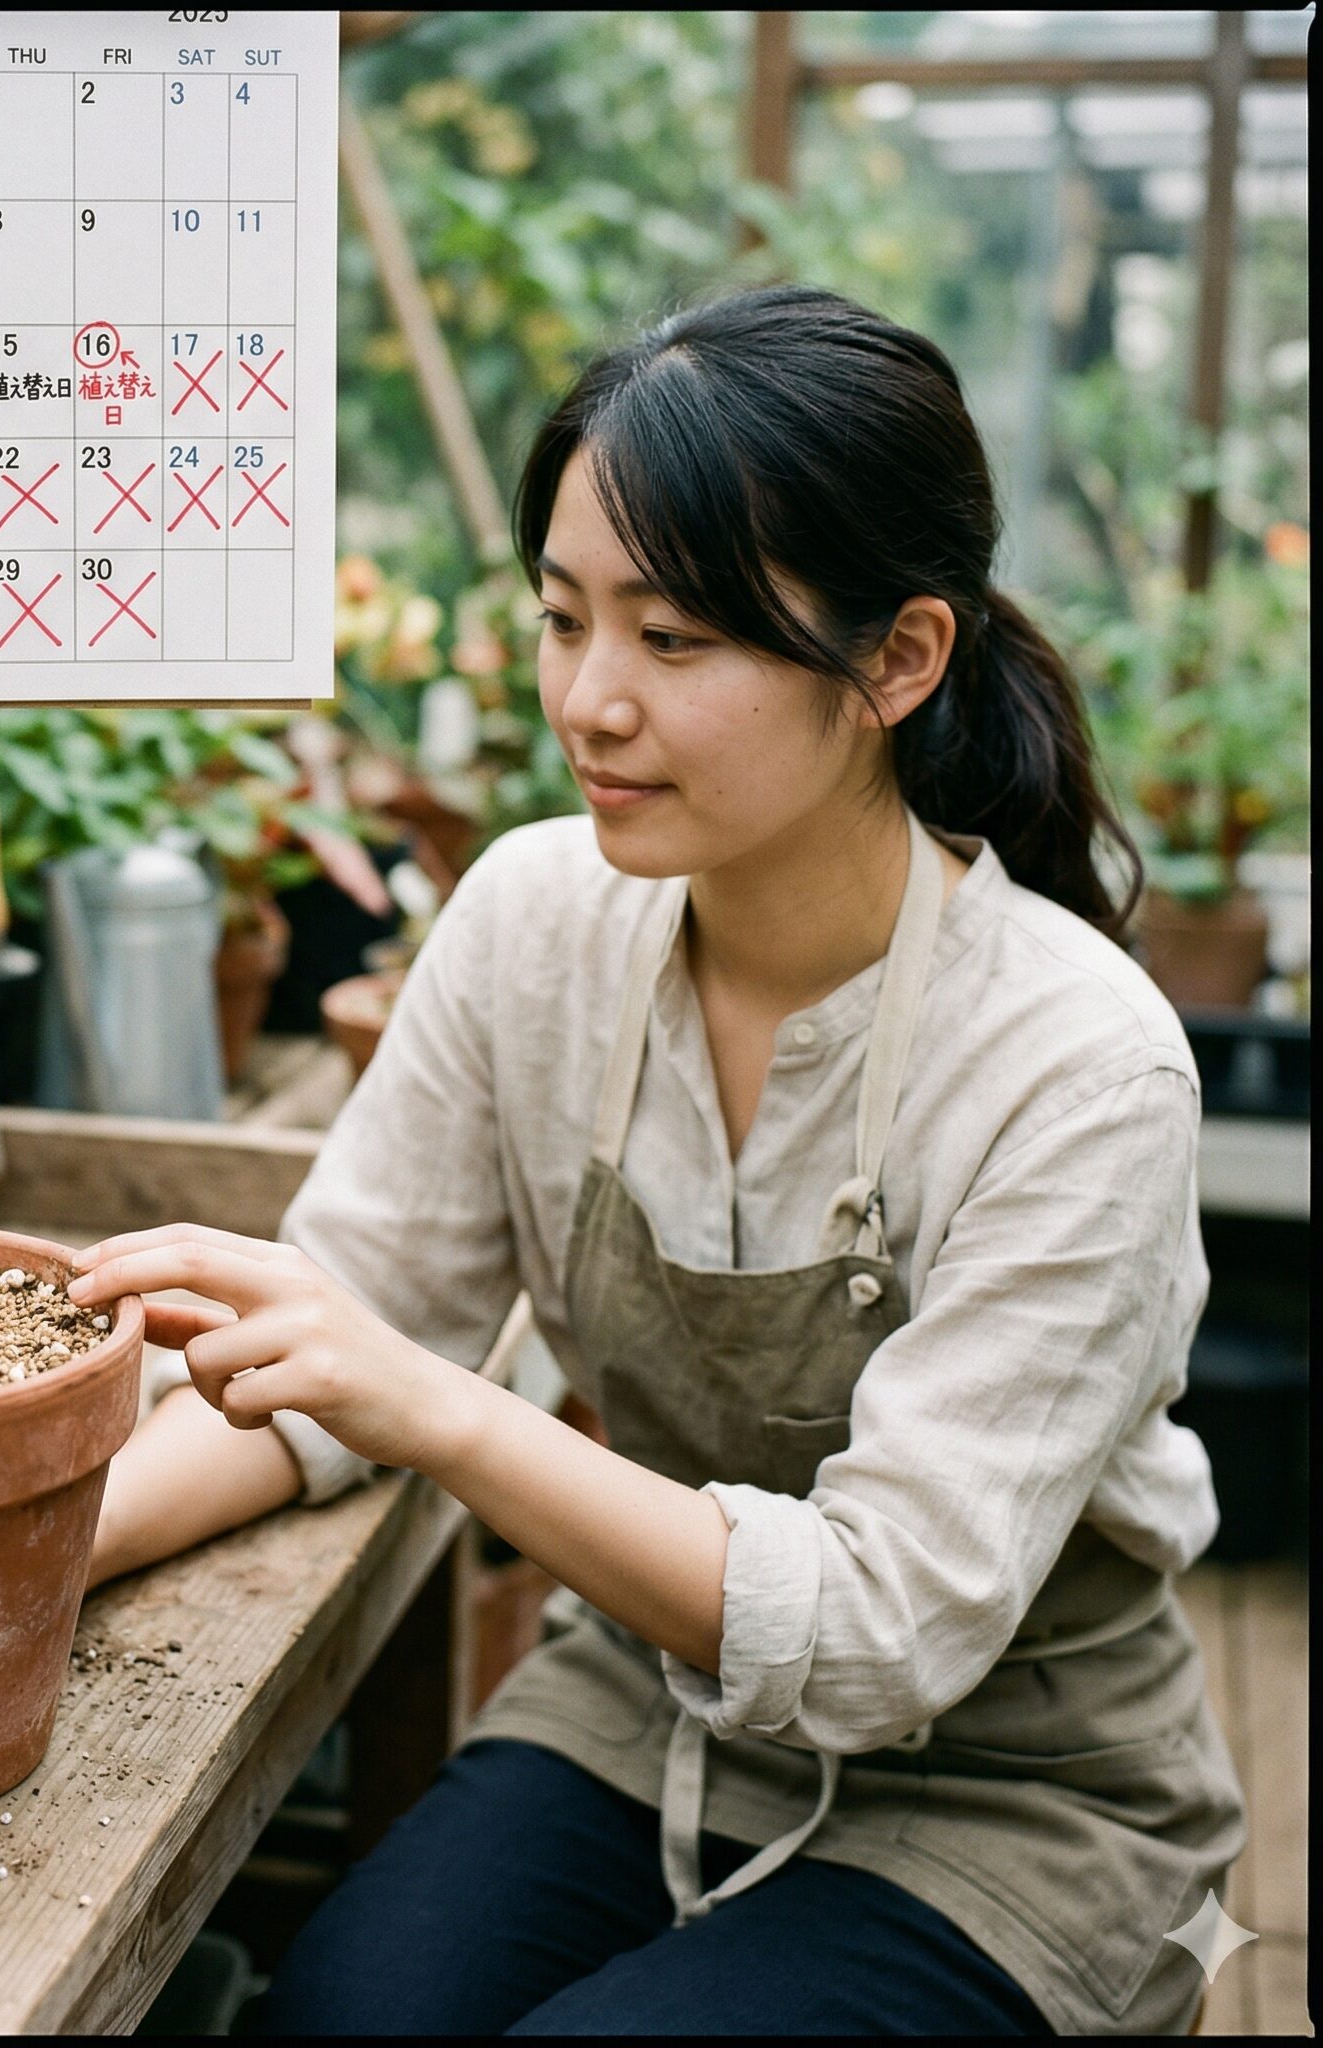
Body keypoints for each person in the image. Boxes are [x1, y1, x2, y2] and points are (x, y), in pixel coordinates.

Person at [68, 285, 1245, 2036]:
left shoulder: (1078, 1062)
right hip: (654, 1701)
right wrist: (33, 1552)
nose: (590, 704)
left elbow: (871, 1631)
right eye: (562, 621)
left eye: (676, 641)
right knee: (341, 2019)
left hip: (1012, 1796)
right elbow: (331, 1357)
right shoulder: (534, 920)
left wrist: (452, 1410)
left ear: (899, 663)